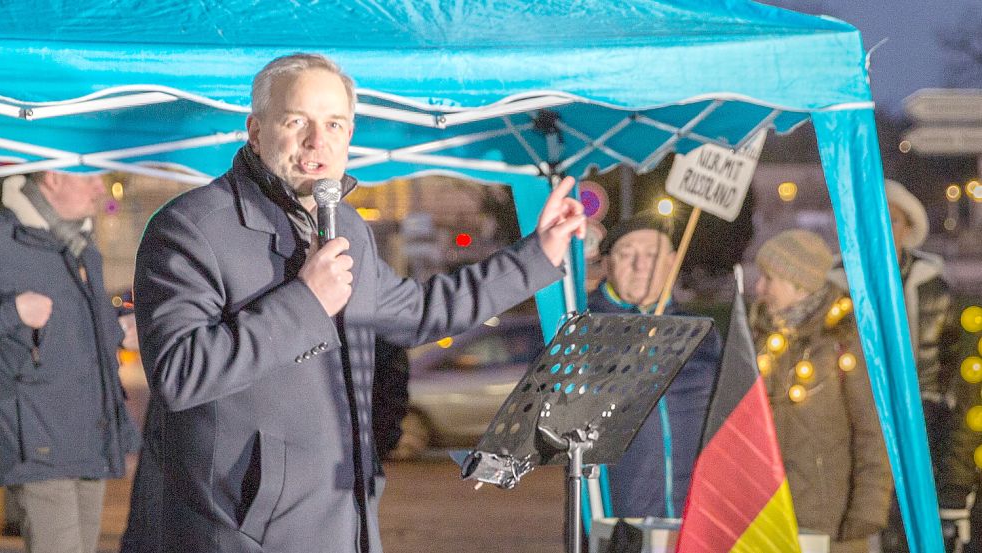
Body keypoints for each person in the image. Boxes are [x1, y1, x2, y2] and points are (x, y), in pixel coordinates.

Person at [130, 53, 585, 553]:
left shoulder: (346, 227)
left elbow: (418, 312)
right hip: (237, 534)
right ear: (256, 132)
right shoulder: (191, 228)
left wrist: (535, 257)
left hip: (344, 521)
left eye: (334, 124)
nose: (316, 141)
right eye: (295, 121)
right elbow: (178, 373)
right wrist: (306, 302)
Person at [0, 171, 139, 553]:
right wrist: (12, 311)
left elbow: (67, 334)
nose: (101, 188)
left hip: (91, 436)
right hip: (39, 441)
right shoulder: (5, 240)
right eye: (90, 178)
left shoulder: (80, 244)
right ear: (54, 177)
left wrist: (115, 329)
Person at [831, 180, 965, 552]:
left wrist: (943, 398)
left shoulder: (932, 283)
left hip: (921, 410)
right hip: (860, 411)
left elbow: (952, 347)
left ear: (907, 228)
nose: (884, 229)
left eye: (892, 220)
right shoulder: (839, 283)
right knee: (868, 503)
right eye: (875, 220)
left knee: (914, 511)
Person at [751, 230, 892, 553]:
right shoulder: (761, 338)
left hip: (831, 527)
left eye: (769, 278)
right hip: (767, 522)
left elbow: (873, 431)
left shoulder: (846, 341)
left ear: (798, 285)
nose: (760, 289)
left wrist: (866, 513)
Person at [587, 211, 721, 519]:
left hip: (693, 517)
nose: (641, 264)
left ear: (672, 261)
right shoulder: (584, 329)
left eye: (652, 254)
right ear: (607, 264)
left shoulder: (701, 332)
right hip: (618, 520)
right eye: (627, 253)